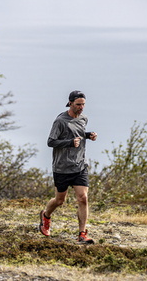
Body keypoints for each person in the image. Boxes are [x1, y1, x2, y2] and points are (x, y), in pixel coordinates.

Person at [38, 90, 98, 244]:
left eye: (83, 104)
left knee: (83, 198)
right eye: (78, 104)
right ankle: (45, 216)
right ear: (70, 103)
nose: (81, 107)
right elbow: (51, 142)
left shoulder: (84, 118)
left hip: (79, 165)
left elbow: (77, 132)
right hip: (62, 167)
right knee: (59, 201)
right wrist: (69, 143)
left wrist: (88, 135)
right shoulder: (60, 121)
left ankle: (82, 234)